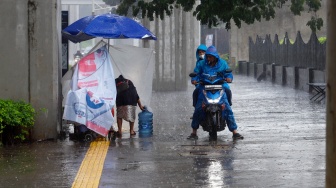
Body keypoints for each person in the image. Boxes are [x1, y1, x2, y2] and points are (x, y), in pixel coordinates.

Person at [187, 45, 243, 140]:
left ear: (215, 56)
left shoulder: (223, 64)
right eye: (207, 56)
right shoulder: (201, 64)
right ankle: (194, 132)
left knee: (227, 108)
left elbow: (228, 73)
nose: (209, 58)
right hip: (204, 87)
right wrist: (194, 80)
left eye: (211, 56)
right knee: (198, 108)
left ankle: (235, 132)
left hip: (220, 86)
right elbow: (196, 73)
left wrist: (229, 78)